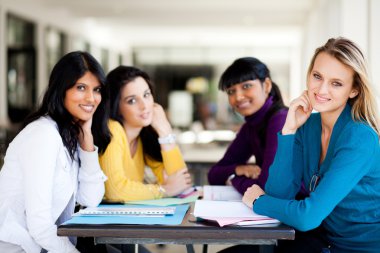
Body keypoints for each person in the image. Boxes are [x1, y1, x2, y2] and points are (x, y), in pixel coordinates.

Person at [242, 37, 380, 253]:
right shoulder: (308, 126)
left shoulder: (359, 137)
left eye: (336, 83)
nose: (321, 90)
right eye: (317, 76)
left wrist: (258, 200)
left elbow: (308, 216)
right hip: (322, 242)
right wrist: (289, 130)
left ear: (353, 90)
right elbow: (279, 194)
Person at [0, 51, 111, 253]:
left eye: (96, 90)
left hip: (41, 245)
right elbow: (39, 226)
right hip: (18, 247)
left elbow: (90, 199)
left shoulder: (68, 133)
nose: (91, 98)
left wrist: (87, 142)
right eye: (81, 88)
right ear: (61, 90)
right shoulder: (43, 135)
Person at [99, 66, 192, 202]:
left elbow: (181, 182)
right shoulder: (112, 129)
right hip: (100, 221)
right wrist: (163, 190)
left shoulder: (143, 135)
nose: (144, 106)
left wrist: (165, 132)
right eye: (132, 100)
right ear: (116, 106)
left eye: (146, 95)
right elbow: (115, 190)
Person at [208, 57, 288, 195]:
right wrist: (238, 169)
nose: (238, 97)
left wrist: (232, 179)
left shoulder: (281, 120)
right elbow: (213, 175)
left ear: (267, 85)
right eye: (231, 91)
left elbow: (268, 187)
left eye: (246, 86)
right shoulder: (251, 126)